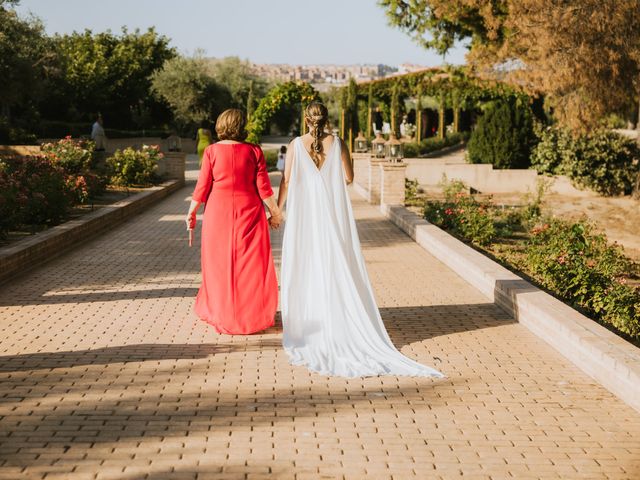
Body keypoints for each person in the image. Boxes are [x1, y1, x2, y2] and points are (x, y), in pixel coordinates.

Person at [273, 102, 444, 378]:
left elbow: (286, 181)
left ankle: (311, 321)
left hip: (305, 218)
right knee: (334, 265)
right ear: (326, 120)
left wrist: (278, 210)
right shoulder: (338, 143)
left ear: (306, 120)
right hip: (330, 217)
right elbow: (349, 178)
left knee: (307, 264)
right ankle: (337, 319)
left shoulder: (294, 145)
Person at [186, 109, 282, 334]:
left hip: (217, 214)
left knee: (219, 265)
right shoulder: (254, 151)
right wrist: (276, 213)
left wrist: (191, 211)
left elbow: (202, 187)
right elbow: (264, 189)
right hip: (249, 212)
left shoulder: (211, 152)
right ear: (242, 126)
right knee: (250, 265)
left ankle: (223, 312)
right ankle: (249, 315)